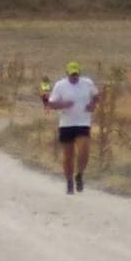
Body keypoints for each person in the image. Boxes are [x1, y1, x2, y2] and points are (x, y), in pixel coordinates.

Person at [47, 63, 101, 194]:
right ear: (67, 74)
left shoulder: (87, 83)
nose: (74, 77)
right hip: (66, 124)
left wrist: (92, 104)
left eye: (76, 74)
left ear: (79, 73)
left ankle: (80, 174)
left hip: (83, 122)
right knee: (68, 156)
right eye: (72, 75)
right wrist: (62, 104)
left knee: (84, 151)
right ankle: (69, 182)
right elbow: (51, 103)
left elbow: (96, 96)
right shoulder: (60, 85)